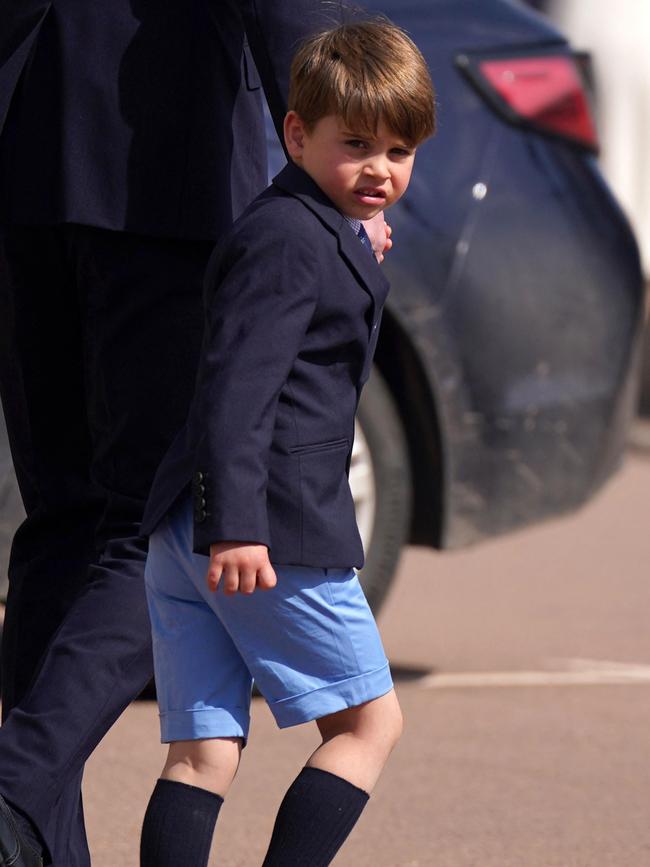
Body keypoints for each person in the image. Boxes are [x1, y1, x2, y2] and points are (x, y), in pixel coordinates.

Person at [0, 3, 373, 866]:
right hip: (161, 162)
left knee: (62, 521)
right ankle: (15, 783)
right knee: (145, 523)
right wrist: (347, 155)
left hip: (24, 148)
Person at [138, 18, 436, 867]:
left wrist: (352, 235)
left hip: (194, 536)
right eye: (356, 146)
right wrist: (236, 522)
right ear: (295, 134)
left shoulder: (305, 224)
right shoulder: (289, 242)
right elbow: (238, 388)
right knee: (369, 722)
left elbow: (313, 283)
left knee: (203, 750)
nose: (379, 169)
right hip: (267, 535)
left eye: (399, 151)